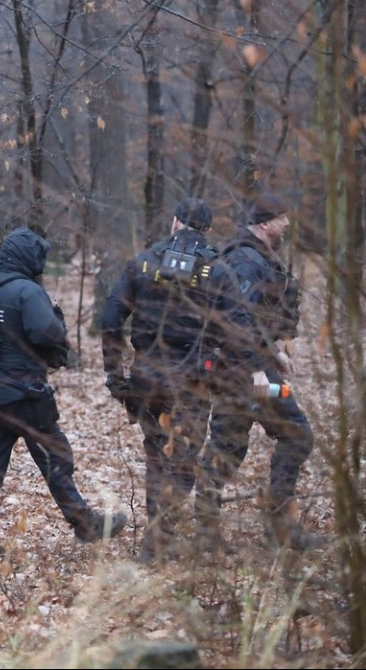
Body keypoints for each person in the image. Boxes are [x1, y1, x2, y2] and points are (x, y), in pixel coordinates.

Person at [0, 227, 127, 555]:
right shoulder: (27, 291)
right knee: (56, 455)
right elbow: (47, 334)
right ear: (27, 257)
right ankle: (85, 524)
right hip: (24, 395)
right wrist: (58, 321)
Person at [101, 199, 254, 563]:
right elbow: (240, 330)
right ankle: (157, 542)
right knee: (183, 461)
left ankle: (158, 537)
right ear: (206, 230)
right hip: (192, 382)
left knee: (157, 456)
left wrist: (114, 371)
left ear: (175, 222)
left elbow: (110, 318)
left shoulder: (142, 263)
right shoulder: (218, 272)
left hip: (146, 378)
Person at [196, 193, 319, 551]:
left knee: (231, 445)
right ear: (265, 223)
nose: (287, 225)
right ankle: (273, 527)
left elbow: (256, 320)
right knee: (291, 435)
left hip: (248, 371)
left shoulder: (254, 257)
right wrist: (258, 373)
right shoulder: (247, 262)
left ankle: (223, 529)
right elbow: (235, 325)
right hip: (248, 376)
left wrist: (276, 351)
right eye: (282, 219)